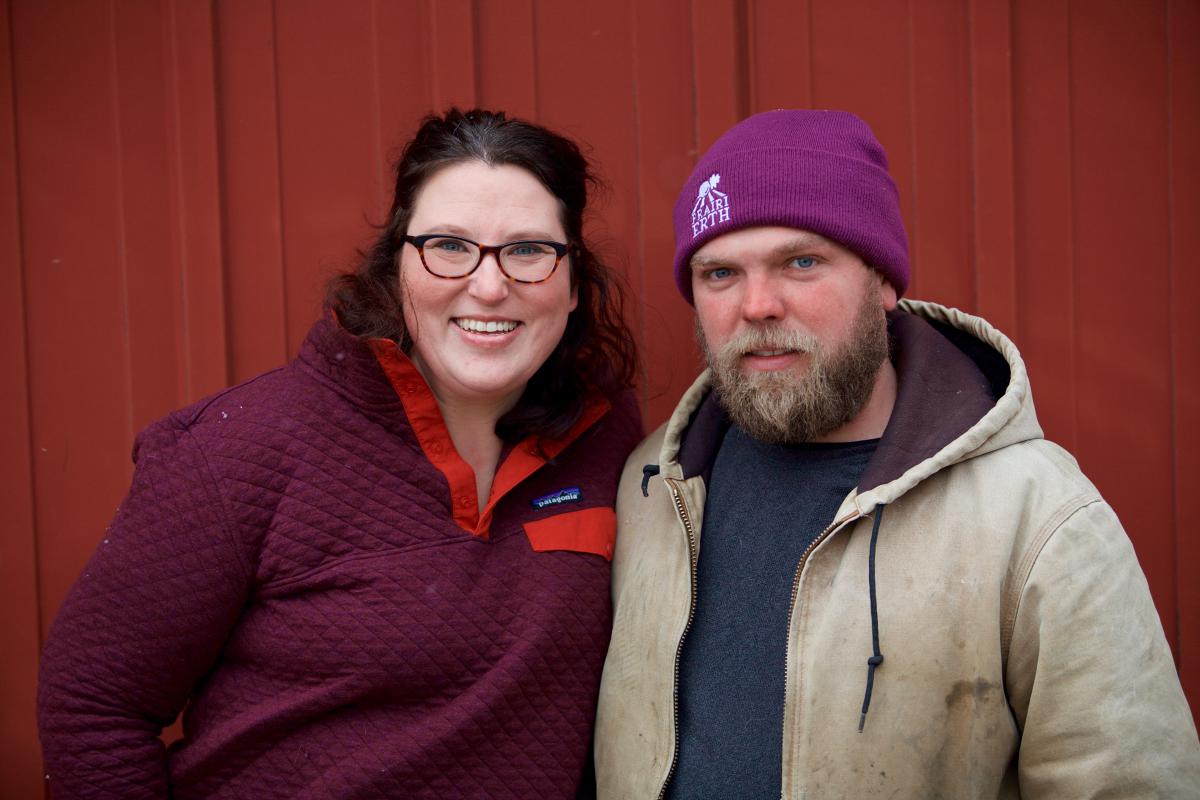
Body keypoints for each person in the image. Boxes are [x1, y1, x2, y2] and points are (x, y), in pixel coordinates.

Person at [38, 108, 642, 799]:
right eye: (449, 246)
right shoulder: (239, 450)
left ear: (572, 284)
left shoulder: (606, 439)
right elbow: (90, 706)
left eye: (529, 251)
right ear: (396, 266)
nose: (488, 285)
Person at [593, 110, 1200, 798]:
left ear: (883, 280)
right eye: (720, 273)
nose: (757, 304)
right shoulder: (652, 487)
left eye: (801, 261)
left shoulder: (1038, 517)